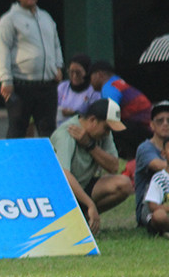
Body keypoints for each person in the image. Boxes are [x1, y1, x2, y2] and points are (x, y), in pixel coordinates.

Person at [0, 0, 64, 139]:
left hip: (47, 85)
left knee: (48, 131)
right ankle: (13, 165)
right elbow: (1, 49)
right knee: (18, 129)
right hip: (21, 85)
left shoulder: (46, 17)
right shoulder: (9, 20)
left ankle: (48, 164)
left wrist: (59, 66)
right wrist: (5, 79)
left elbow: (55, 43)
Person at [49, 98, 133, 234]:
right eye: (106, 128)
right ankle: (80, 214)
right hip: (60, 191)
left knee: (124, 184)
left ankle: (83, 218)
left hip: (84, 184)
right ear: (93, 120)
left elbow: (114, 167)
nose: (107, 133)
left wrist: (90, 145)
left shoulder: (103, 135)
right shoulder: (66, 133)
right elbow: (63, 175)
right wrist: (90, 203)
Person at [89, 59, 152, 160]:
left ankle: (125, 157)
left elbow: (108, 112)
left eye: (90, 77)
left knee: (108, 128)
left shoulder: (109, 87)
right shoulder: (117, 81)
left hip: (140, 127)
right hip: (144, 125)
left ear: (99, 75)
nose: (90, 82)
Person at [134, 101, 169, 232]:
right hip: (149, 207)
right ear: (152, 125)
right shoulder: (145, 148)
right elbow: (157, 165)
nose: (165, 124)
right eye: (160, 121)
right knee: (159, 217)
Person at [56, 54, 100, 127]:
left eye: (78, 73)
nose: (74, 76)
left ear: (87, 72)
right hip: (61, 127)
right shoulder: (62, 87)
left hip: (81, 128)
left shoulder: (93, 91)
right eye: (71, 72)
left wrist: (75, 114)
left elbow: (94, 117)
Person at [140, 137, 169, 235]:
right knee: (159, 216)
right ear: (163, 154)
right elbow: (153, 206)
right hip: (165, 216)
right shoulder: (159, 178)